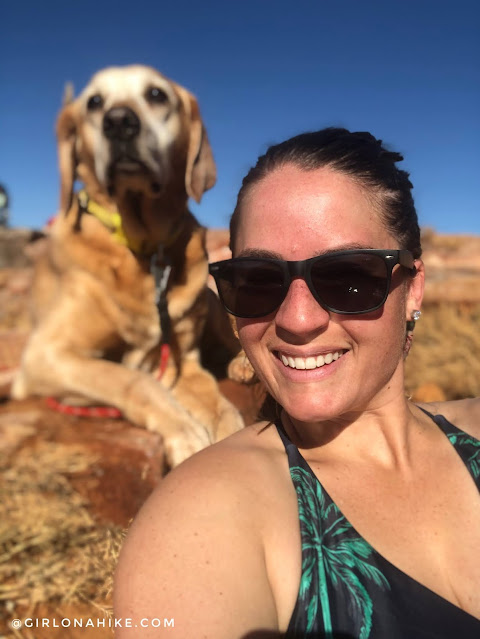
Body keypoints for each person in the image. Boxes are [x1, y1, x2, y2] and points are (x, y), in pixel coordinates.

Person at [114, 128, 480, 638]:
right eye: (258, 281)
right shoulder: (206, 515)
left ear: (412, 288)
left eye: (350, 276)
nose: (298, 319)